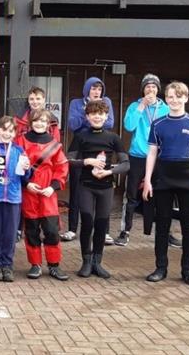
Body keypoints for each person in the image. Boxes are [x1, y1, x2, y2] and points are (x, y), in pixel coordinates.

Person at [143, 81, 189, 286]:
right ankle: (160, 267)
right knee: (162, 225)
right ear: (166, 98)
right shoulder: (158, 123)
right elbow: (152, 152)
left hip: (188, 177)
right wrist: (147, 180)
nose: (174, 100)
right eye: (170, 97)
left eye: (178, 96)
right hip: (163, 177)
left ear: (186, 98)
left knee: (188, 227)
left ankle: (187, 270)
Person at [67, 101, 129, 279]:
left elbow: (125, 163)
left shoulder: (113, 137)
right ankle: (86, 261)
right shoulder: (81, 136)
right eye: (93, 114)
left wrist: (109, 171)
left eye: (100, 114)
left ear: (106, 116)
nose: (97, 117)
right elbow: (69, 160)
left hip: (106, 186)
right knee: (87, 221)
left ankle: (97, 262)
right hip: (85, 185)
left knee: (102, 223)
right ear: (87, 117)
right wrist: (87, 161)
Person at [117, 74, 172, 247]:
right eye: (147, 86)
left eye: (154, 87)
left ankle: (166, 232)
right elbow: (129, 126)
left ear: (158, 89)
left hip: (159, 157)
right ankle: (125, 231)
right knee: (131, 194)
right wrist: (141, 106)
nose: (151, 89)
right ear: (143, 89)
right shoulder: (135, 106)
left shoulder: (165, 108)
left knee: (162, 195)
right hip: (138, 155)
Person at [16, 109, 70, 280]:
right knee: (31, 231)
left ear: (48, 124)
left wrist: (53, 187)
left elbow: (61, 168)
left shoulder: (54, 144)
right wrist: (26, 183)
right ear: (31, 122)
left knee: (52, 231)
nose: (39, 123)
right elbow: (15, 165)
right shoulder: (21, 141)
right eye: (36, 120)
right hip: (29, 191)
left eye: (43, 121)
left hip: (48, 193)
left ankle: (54, 265)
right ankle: (35, 264)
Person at [63, 76, 115, 243]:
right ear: (87, 90)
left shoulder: (106, 101)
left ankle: (104, 231)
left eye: (99, 89)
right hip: (80, 147)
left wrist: (91, 117)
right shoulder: (76, 103)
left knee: (102, 187)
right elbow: (73, 125)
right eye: (93, 89)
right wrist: (89, 113)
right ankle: (72, 229)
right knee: (77, 189)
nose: (96, 92)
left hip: (101, 147)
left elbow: (109, 123)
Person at [0, 116, 31, 282]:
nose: (7, 133)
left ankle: (7, 265)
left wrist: (27, 168)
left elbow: (25, 177)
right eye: (4, 130)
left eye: (11, 131)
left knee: (10, 233)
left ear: (15, 133)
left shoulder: (18, 151)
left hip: (13, 196)